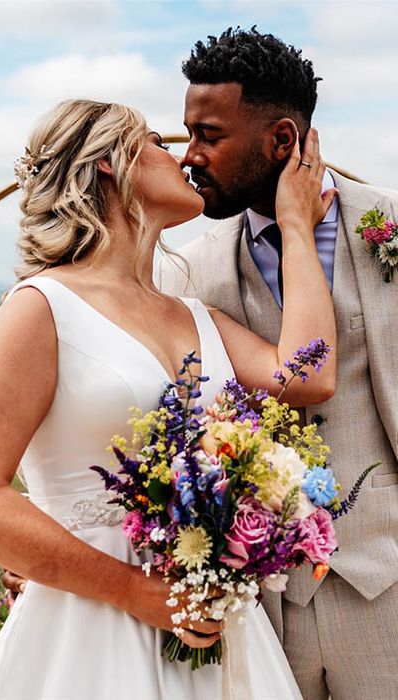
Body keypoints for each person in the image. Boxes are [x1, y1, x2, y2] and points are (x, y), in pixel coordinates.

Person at [0, 97, 335, 699]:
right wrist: (134, 592)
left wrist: (297, 227)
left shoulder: (196, 316)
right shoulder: (39, 309)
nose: (180, 157)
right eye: (156, 141)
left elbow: (310, 373)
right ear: (106, 163)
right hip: (86, 636)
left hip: (214, 630)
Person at [155, 28, 398, 700]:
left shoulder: (390, 226)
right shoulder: (189, 267)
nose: (190, 156)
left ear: (282, 141)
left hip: (387, 587)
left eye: (208, 135)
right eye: (185, 135)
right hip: (259, 606)